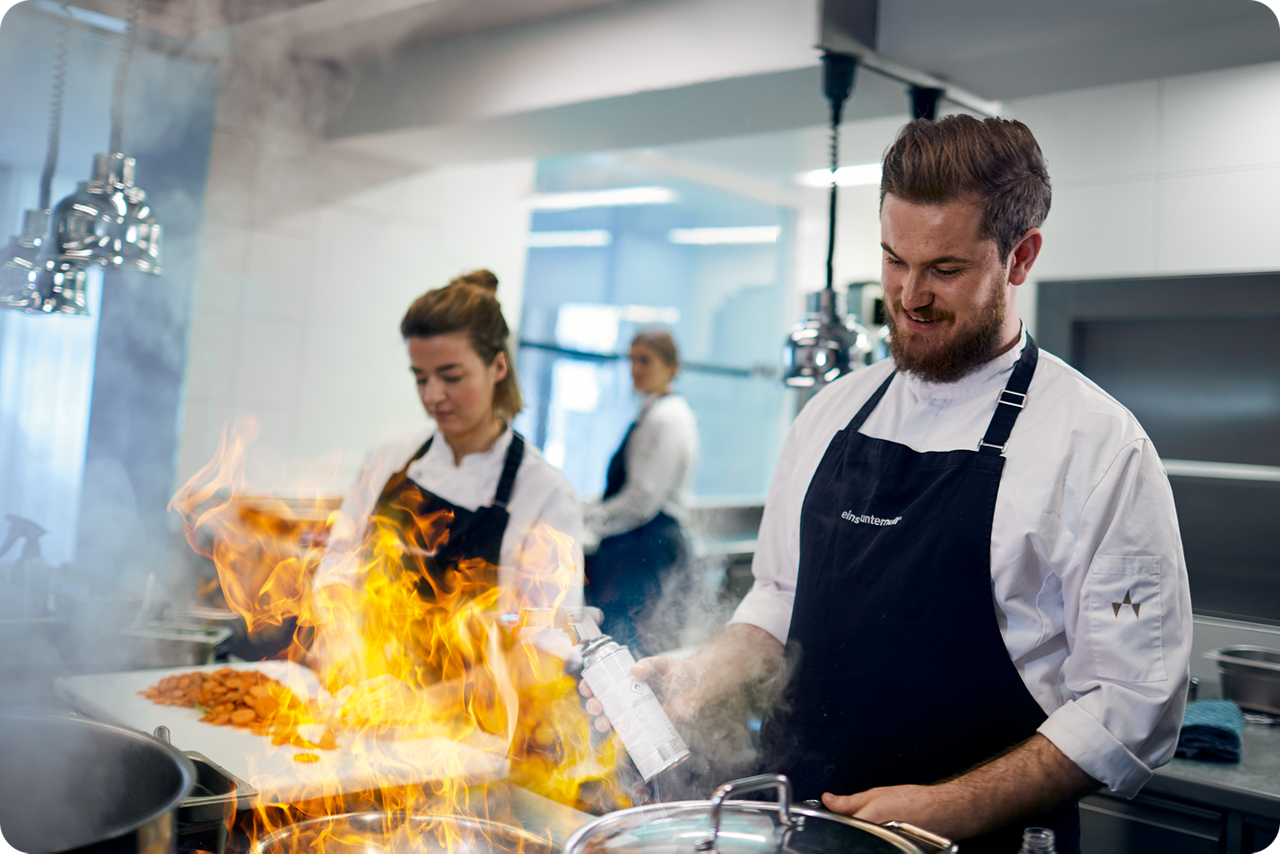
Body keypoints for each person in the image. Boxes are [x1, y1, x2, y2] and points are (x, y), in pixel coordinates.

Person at [588, 116, 1192, 852]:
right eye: (893, 260)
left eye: (945, 269)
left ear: (1021, 256)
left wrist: (955, 807)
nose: (909, 296)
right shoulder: (832, 415)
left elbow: (1132, 706)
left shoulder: (1096, 447)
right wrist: (701, 673)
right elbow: (780, 596)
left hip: (978, 842)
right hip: (800, 822)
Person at [310, 270, 584, 703]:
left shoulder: (544, 495)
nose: (433, 396)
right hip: (365, 707)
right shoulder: (388, 461)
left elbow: (545, 651)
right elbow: (339, 564)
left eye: (451, 376)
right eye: (421, 378)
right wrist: (342, 637)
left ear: (498, 366)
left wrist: (424, 704)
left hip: (474, 736)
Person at [583, 328, 698, 656]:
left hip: (645, 546)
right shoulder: (652, 413)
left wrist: (589, 519)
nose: (636, 369)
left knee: (629, 651)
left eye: (645, 360)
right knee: (624, 648)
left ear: (671, 367)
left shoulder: (667, 418)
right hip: (640, 543)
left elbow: (641, 500)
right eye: (632, 360)